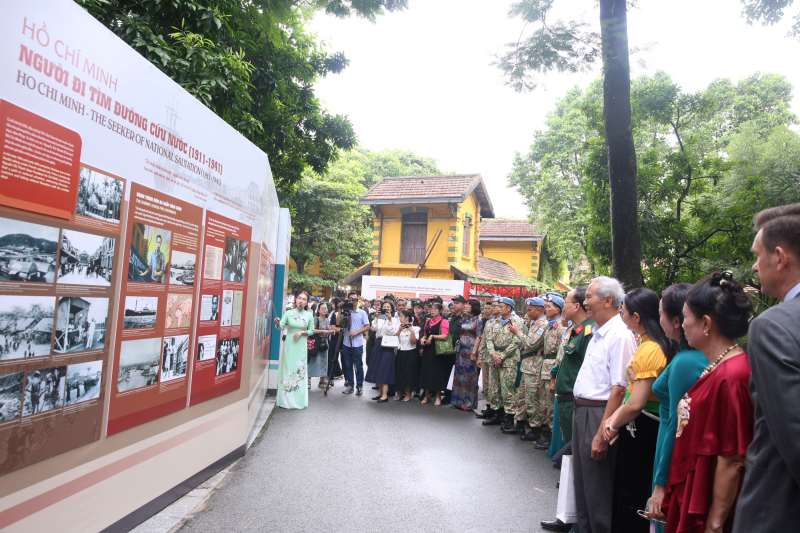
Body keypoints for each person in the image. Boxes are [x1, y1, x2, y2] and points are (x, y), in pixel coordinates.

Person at [661, 272, 754, 533]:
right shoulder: (718, 366)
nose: (683, 324)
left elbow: (732, 458)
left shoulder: (733, 374)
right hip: (696, 487)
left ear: (706, 324)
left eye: (687, 317)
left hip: (711, 501)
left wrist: (714, 523)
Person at [734, 203, 800, 532]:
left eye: (758, 256)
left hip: (778, 511)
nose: (755, 267)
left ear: (780, 257)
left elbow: (793, 433)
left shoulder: (775, 326)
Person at [601, 288, 673, 533]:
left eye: (623, 313)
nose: (621, 317)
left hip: (642, 428)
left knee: (633, 492)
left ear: (637, 317)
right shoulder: (648, 344)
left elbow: (636, 402)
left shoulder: (651, 350)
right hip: (641, 425)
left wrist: (610, 424)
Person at [571, 276, 636, 533]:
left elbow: (619, 390)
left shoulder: (620, 336)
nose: (584, 302)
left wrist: (603, 432)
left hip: (599, 415)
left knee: (598, 490)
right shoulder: (598, 333)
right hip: (583, 411)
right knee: (583, 487)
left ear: (608, 300)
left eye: (588, 297)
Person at [643, 283, 707, 533]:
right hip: (666, 449)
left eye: (661, 313)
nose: (658, 320)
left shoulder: (686, 361)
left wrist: (660, 485)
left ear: (677, 321)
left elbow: (677, 426)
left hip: (671, 453)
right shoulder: (684, 356)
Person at [541, 288, 596, 533]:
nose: (563, 308)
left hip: (577, 401)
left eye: (567, 303)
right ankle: (568, 515)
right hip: (565, 399)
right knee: (570, 461)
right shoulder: (576, 330)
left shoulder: (589, 331)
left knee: (575, 462)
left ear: (579, 306)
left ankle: (572, 520)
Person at [505, 296, 548, 439]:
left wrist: (517, 332)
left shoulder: (542, 324)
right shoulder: (535, 323)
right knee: (522, 397)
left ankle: (535, 429)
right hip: (527, 365)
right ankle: (520, 424)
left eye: (529, 310)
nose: (527, 313)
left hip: (535, 365)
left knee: (532, 399)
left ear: (538, 309)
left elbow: (531, 343)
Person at [535, 294, 568, 449]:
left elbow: (562, 353)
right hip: (544, 366)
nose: (545, 309)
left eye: (548, 306)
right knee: (544, 404)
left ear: (558, 309)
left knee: (550, 405)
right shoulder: (549, 325)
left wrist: (555, 375)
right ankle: (547, 433)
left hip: (552, 368)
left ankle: (552, 438)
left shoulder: (561, 327)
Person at [486, 297, 524, 430]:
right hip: (494, 357)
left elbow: (516, 342)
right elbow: (488, 339)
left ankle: (509, 416)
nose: (498, 308)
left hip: (509, 360)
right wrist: (493, 354)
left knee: (507, 389)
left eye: (501, 306)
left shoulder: (516, 322)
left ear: (509, 308)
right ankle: (497, 413)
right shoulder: (495, 322)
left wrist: (501, 356)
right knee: (494, 388)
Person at [274, 291, 314, 409]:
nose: (301, 301)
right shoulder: (288, 313)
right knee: (287, 368)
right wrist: (277, 323)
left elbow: (311, 331)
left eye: (304, 299)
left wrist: (302, 332)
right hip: (289, 345)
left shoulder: (309, 315)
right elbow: (280, 326)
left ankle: (298, 400)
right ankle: (285, 400)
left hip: (301, 346)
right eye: (299, 298)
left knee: (299, 371)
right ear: (296, 300)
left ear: (307, 302)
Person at [418, 302, 452, 406]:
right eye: (431, 309)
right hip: (428, 349)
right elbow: (424, 335)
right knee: (426, 372)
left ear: (440, 311)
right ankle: (427, 395)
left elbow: (445, 336)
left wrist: (432, 336)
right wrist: (422, 339)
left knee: (437, 373)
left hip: (438, 351)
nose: (432, 311)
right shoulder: (428, 321)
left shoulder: (444, 321)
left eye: (435, 309)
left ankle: (438, 397)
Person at [337, 291, 370, 396]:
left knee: (359, 366)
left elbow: (367, 326)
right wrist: (339, 310)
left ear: (358, 300)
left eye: (354, 299)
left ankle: (359, 386)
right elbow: (338, 323)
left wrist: (356, 332)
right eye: (350, 299)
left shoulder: (362, 313)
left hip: (358, 344)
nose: (353, 301)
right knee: (348, 366)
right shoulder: (346, 312)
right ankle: (350, 385)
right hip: (346, 343)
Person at [365, 301, 399, 402]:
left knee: (384, 369)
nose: (386, 309)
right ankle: (380, 393)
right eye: (384, 307)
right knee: (377, 368)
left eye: (388, 307)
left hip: (388, 344)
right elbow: (373, 328)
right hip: (378, 342)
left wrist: (389, 319)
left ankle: (385, 395)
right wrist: (376, 317)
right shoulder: (379, 318)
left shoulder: (394, 320)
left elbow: (391, 332)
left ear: (392, 309)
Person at [451, 298, 481, 410]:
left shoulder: (478, 320)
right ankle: (457, 401)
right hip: (461, 350)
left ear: (474, 307)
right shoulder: (464, 318)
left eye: (468, 305)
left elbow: (479, 337)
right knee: (459, 375)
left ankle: (468, 403)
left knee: (469, 377)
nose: (466, 306)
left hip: (471, 351)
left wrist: (474, 353)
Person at [475, 299, 503, 423]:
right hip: (486, 357)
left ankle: (497, 412)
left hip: (495, 357)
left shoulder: (503, 322)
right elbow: (483, 340)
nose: (492, 308)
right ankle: (489, 408)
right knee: (486, 385)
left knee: (494, 386)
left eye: (494, 306)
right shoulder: (489, 322)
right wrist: (480, 356)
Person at [394, 309, 421, 401]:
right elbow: (394, 339)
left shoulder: (416, 328)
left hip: (411, 353)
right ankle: (399, 392)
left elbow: (413, 341)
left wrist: (411, 331)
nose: (400, 318)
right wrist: (399, 330)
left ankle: (408, 394)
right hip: (400, 352)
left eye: (401, 316)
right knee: (399, 373)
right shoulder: (399, 327)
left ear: (407, 318)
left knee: (408, 374)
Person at [311, 303, 333, 388]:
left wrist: (331, 332)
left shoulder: (327, 320)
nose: (324, 310)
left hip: (325, 342)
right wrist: (324, 331)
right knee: (313, 360)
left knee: (324, 361)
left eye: (326, 308)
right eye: (322, 308)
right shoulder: (316, 319)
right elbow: (312, 330)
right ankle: (309, 381)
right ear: (318, 310)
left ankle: (322, 381)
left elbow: (329, 329)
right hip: (316, 342)